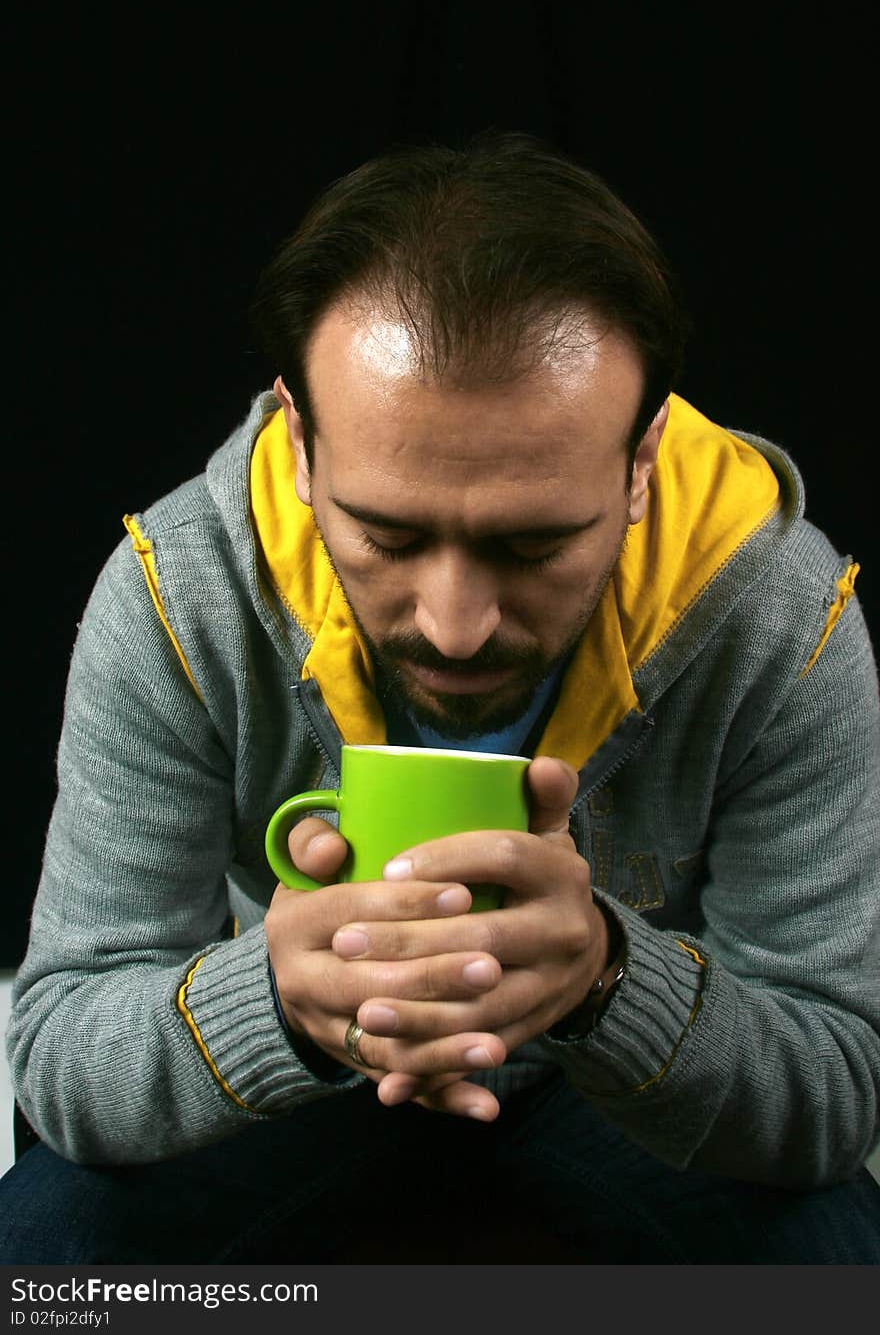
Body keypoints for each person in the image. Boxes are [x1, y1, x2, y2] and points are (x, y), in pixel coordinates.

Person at [2, 131, 878, 1265]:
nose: (454, 622)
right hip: (298, 1099)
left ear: (642, 460)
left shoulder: (778, 620)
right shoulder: (182, 595)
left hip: (616, 1105)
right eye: (388, 534)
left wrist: (609, 980)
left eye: (535, 543)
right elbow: (62, 1051)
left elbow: (838, 1088)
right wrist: (274, 999)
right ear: (301, 446)